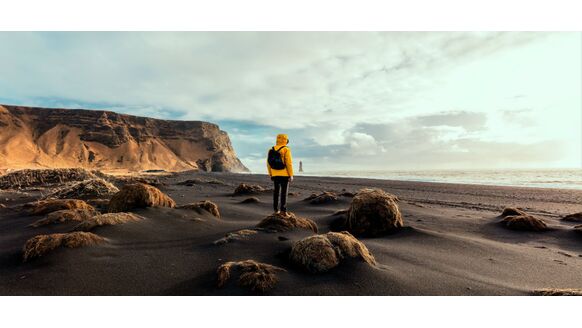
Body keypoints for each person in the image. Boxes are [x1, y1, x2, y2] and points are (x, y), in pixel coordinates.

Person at [267, 134, 293, 215]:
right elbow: (289, 163)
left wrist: (270, 174)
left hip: (275, 174)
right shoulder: (286, 149)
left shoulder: (271, 149)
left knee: (276, 192)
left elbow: (268, 163)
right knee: (284, 193)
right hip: (284, 174)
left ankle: (275, 210)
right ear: (285, 140)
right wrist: (291, 175)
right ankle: (283, 211)